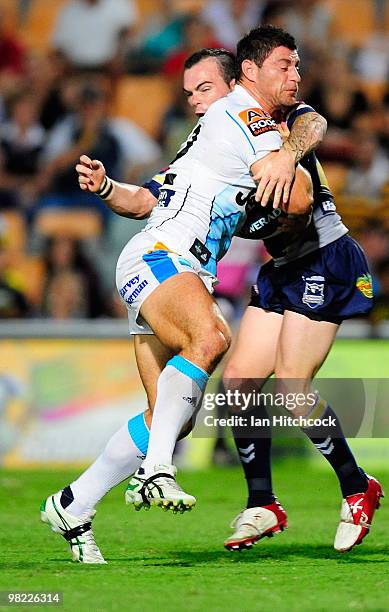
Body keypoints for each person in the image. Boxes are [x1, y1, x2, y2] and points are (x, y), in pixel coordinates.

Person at [40, 44, 324, 563]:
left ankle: (73, 503)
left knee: (167, 416)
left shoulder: (204, 142)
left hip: (160, 264)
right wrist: (287, 158)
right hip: (162, 259)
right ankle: (156, 470)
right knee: (212, 338)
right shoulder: (236, 114)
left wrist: (106, 188)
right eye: (189, 93)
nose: (196, 102)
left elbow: (146, 199)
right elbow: (300, 199)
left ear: (234, 80)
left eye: (203, 88)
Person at [221, 29, 383, 554]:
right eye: (285, 65)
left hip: (326, 257)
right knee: (238, 384)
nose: (296, 75)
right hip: (282, 266)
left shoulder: (286, 120)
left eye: (297, 66)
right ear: (250, 71)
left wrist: (287, 156)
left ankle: (358, 488)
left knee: (292, 386)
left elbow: (315, 123)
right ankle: (262, 502)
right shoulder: (226, 132)